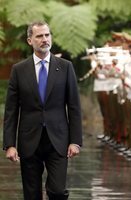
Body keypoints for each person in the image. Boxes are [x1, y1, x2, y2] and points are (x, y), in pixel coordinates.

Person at [3, 21, 82, 200]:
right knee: (31, 194)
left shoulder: (65, 67)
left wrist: (75, 141)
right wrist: (10, 144)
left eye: (47, 35)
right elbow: (11, 110)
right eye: (39, 36)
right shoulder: (19, 70)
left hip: (58, 140)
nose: (44, 39)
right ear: (30, 40)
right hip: (29, 140)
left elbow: (75, 107)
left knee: (57, 191)